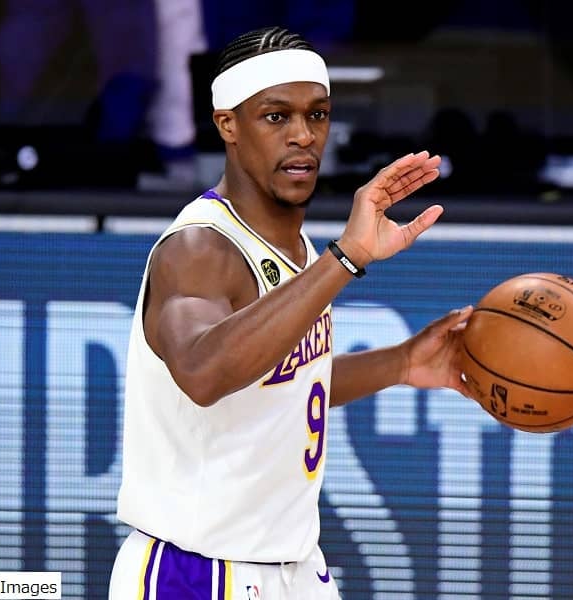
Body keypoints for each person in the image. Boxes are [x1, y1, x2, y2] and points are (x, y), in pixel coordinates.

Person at [108, 25, 473, 599]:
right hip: (199, 570)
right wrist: (346, 258)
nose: (303, 135)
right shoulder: (200, 249)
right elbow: (204, 374)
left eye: (317, 115)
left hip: (296, 566)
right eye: (276, 117)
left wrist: (403, 363)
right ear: (228, 124)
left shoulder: (296, 249)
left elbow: (286, 381)